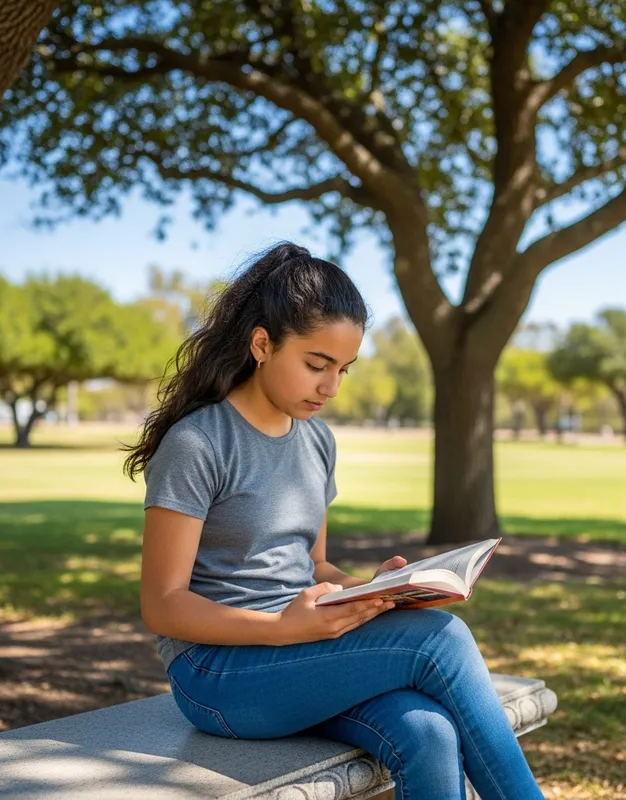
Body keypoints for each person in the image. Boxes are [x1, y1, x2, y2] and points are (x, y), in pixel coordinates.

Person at [123, 242, 545, 800]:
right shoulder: (199, 443)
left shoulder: (317, 441)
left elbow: (313, 565)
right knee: (442, 642)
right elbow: (163, 604)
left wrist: (377, 589)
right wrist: (281, 629)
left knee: (428, 732)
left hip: (300, 651)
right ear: (261, 344)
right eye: (316, 365)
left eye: (343, 369)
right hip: (217, 675)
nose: (331, 387)